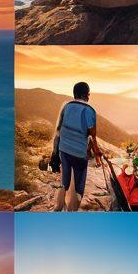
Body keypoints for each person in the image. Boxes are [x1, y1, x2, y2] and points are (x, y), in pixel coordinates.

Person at [52, 82, 101, 212]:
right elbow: (93, 136)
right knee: (79, 184)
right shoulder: (89, 110)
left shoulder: (66, 106)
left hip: (64, 150)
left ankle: (59, 206)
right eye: (88, 94)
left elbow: (59, 129)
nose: (89, 97)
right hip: (79, 153)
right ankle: (73, 210)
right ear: (85, 95)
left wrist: (55, 150)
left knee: (65, 180)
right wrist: (97, 155)